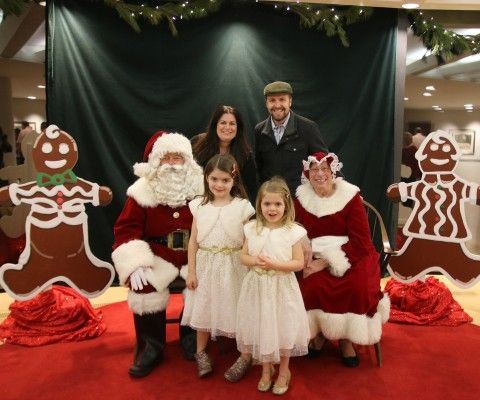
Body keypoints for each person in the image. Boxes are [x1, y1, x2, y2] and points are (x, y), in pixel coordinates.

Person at [112, 131, 204, 378]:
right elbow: (126, 228)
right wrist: (135, 262)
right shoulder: (140, 190)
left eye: (178, 157)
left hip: (192, 256)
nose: (173, 164)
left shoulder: (200, 187)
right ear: (156, 161)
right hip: (157, 255)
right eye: (167, 158)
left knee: (204, 283)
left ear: (187, 161)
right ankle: (150, 346)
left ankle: (192, 338)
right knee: (143, 287)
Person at [295, 152, 390, 368]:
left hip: (353, 253)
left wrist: (326, 262)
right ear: (307, 174)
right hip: (315, 253)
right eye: (314, 170)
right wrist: (304, 246)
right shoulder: (301, 198)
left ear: (332, 171)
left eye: (324, 169)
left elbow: (361, 240)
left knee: (357, 287)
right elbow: (295, 228)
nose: (319, 174)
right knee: (311, 286)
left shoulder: (350, 196)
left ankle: (346, 339)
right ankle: (320, 333)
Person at [182, 154, 255, 379]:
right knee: (205, 305)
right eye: (214, 179)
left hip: (234, 265)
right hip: (206, 265)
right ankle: (201, 352)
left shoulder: (242, 207)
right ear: (206, 178)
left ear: (234, 180)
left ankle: (245, 355)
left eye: (225, 180)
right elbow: (193, 241)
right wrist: (192, 271)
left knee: (238, 308)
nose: (219, 184)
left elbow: (248, 241)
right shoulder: (199, 205)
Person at [235, 177, 310, 395]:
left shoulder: (294, 232)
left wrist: (274, 264)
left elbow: (298, 263)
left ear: (286, 205)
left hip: (281, 287)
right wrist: (255, 261)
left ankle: (284, 370)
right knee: (262, 327)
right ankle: (266, 371)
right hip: (257, 286)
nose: (272, 208)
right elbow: (243, 257)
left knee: (282, 328)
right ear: (259, 205)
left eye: (277, 204)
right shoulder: (251, 228)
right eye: (267, 204)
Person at [254, 81, 329, 194]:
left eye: (282, 99)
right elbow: (258, 168)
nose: (277, 105)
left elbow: (324, 162)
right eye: (272, 100)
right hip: (271, 201)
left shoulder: (308, 128)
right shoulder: (259, 130)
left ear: (290, 101)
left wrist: (345, 192)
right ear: (266, 103)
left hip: (299, 200)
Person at [191, 105, 258, 202]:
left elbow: (251, 189)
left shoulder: (246, 154)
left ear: (238, 127)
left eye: (232, 124)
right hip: (200, 202)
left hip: (232, 205)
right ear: (215, 125)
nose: (227, 127)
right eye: (223, 123)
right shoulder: (197, 143)